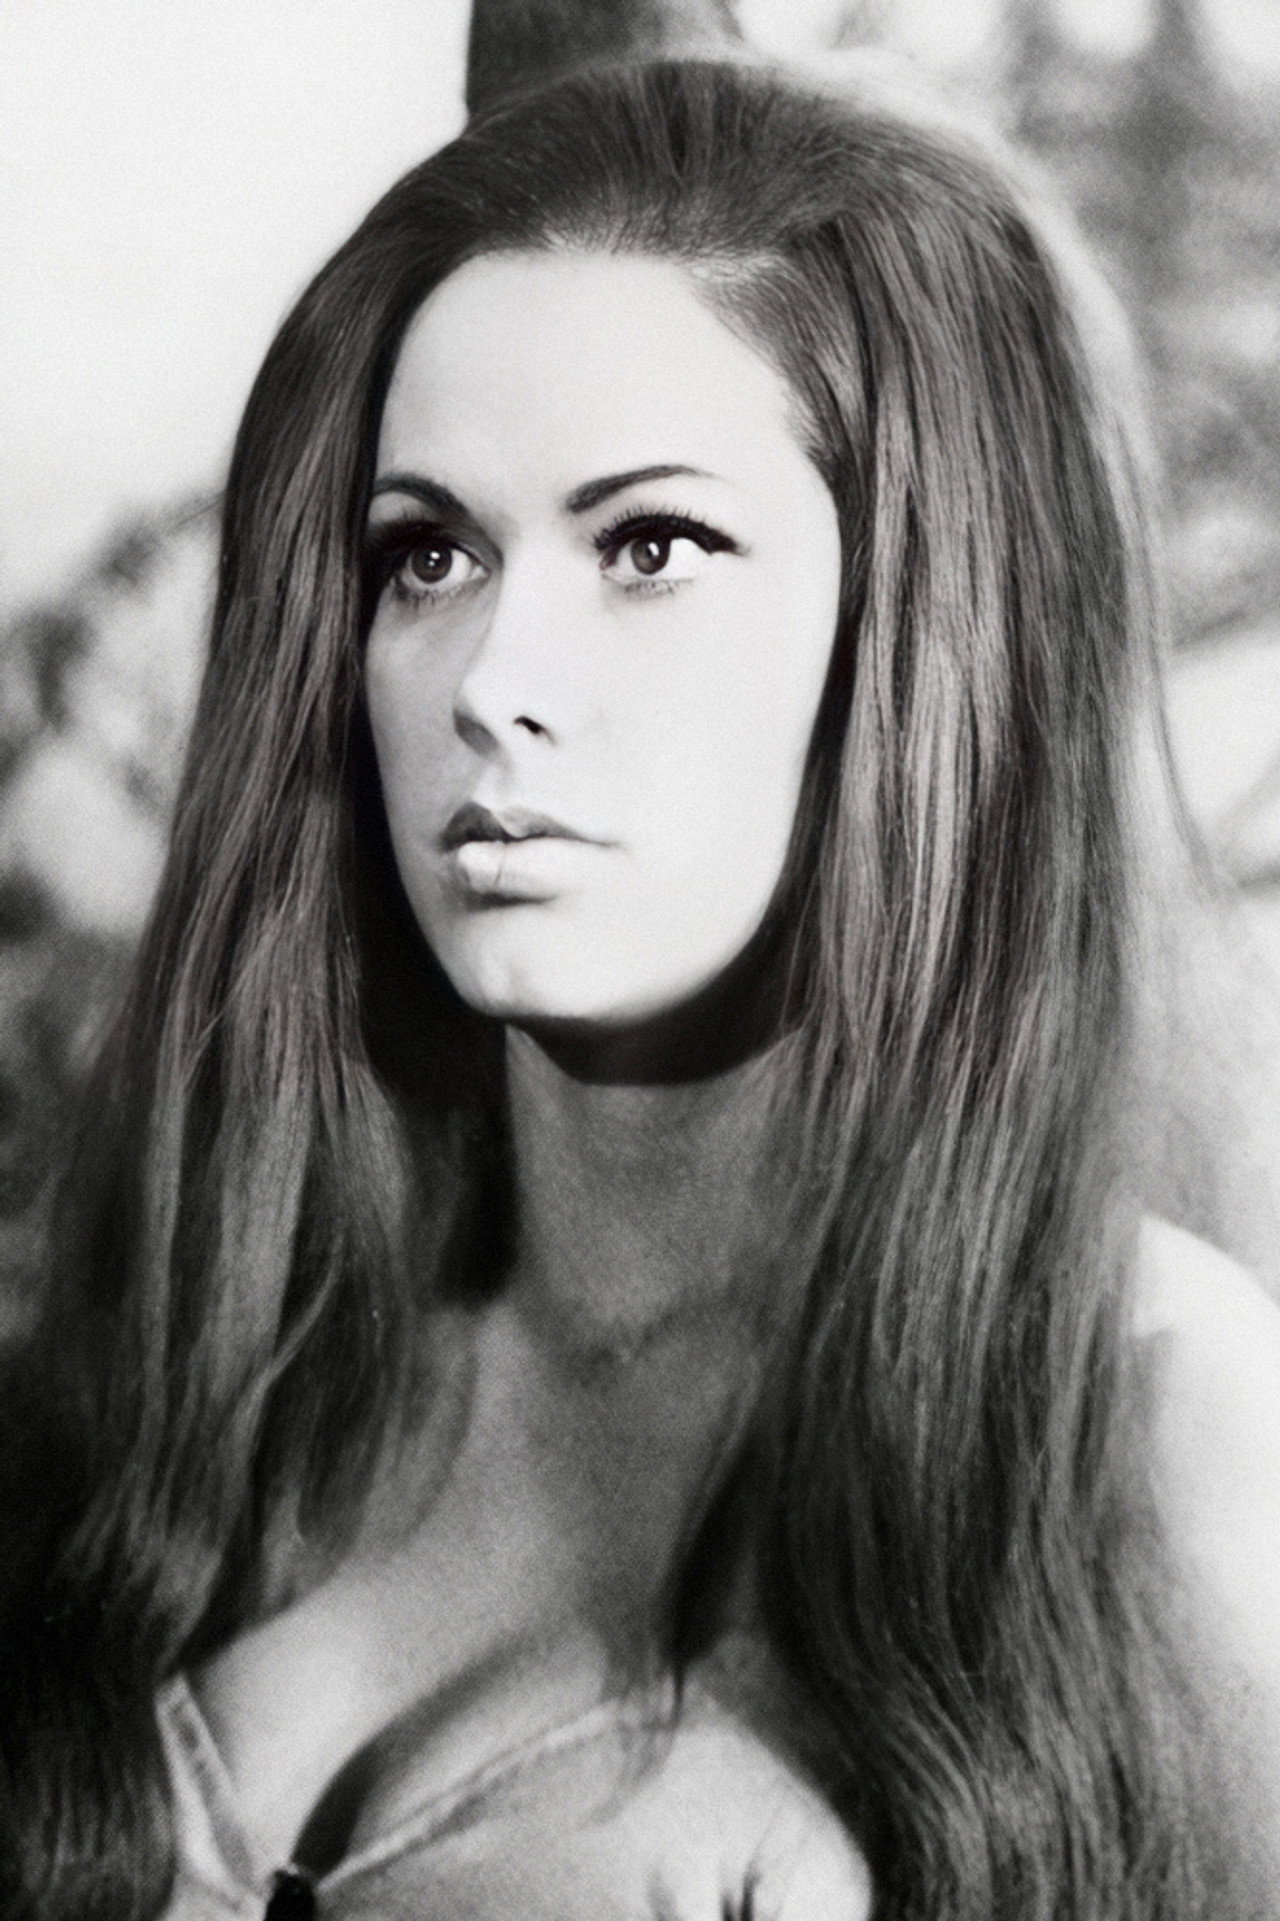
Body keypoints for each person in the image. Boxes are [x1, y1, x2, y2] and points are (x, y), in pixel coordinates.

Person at [2, 51, 1278, 1921]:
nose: (492, 679)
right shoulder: (229, 1329)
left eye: (650, 547)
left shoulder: (1162, 1434)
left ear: (933, 632)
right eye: (427, 553)